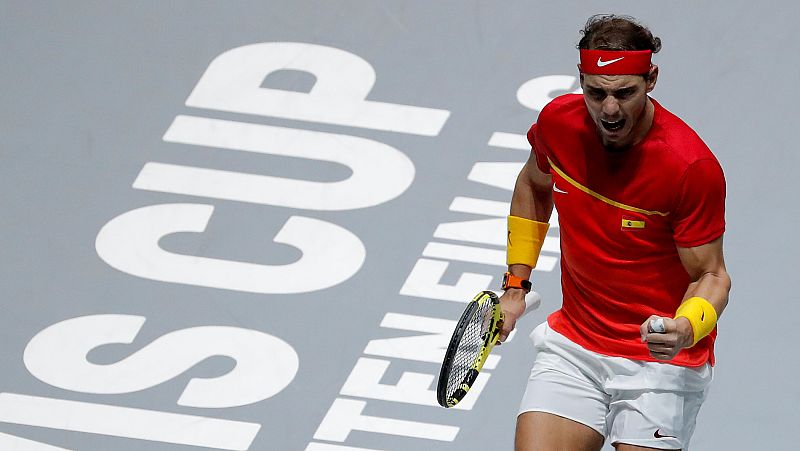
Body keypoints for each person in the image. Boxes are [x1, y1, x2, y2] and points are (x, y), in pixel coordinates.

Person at [498, 15, 731, 451]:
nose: (610, 110)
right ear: (581, 80)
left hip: (660, 364)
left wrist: (685, 328)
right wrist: (515, 284)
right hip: (576, 346)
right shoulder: (558, 125)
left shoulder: (689, 168)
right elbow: (533, 185)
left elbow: (712, 276)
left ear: (652, 79)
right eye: (596, 92)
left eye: (625, 93)